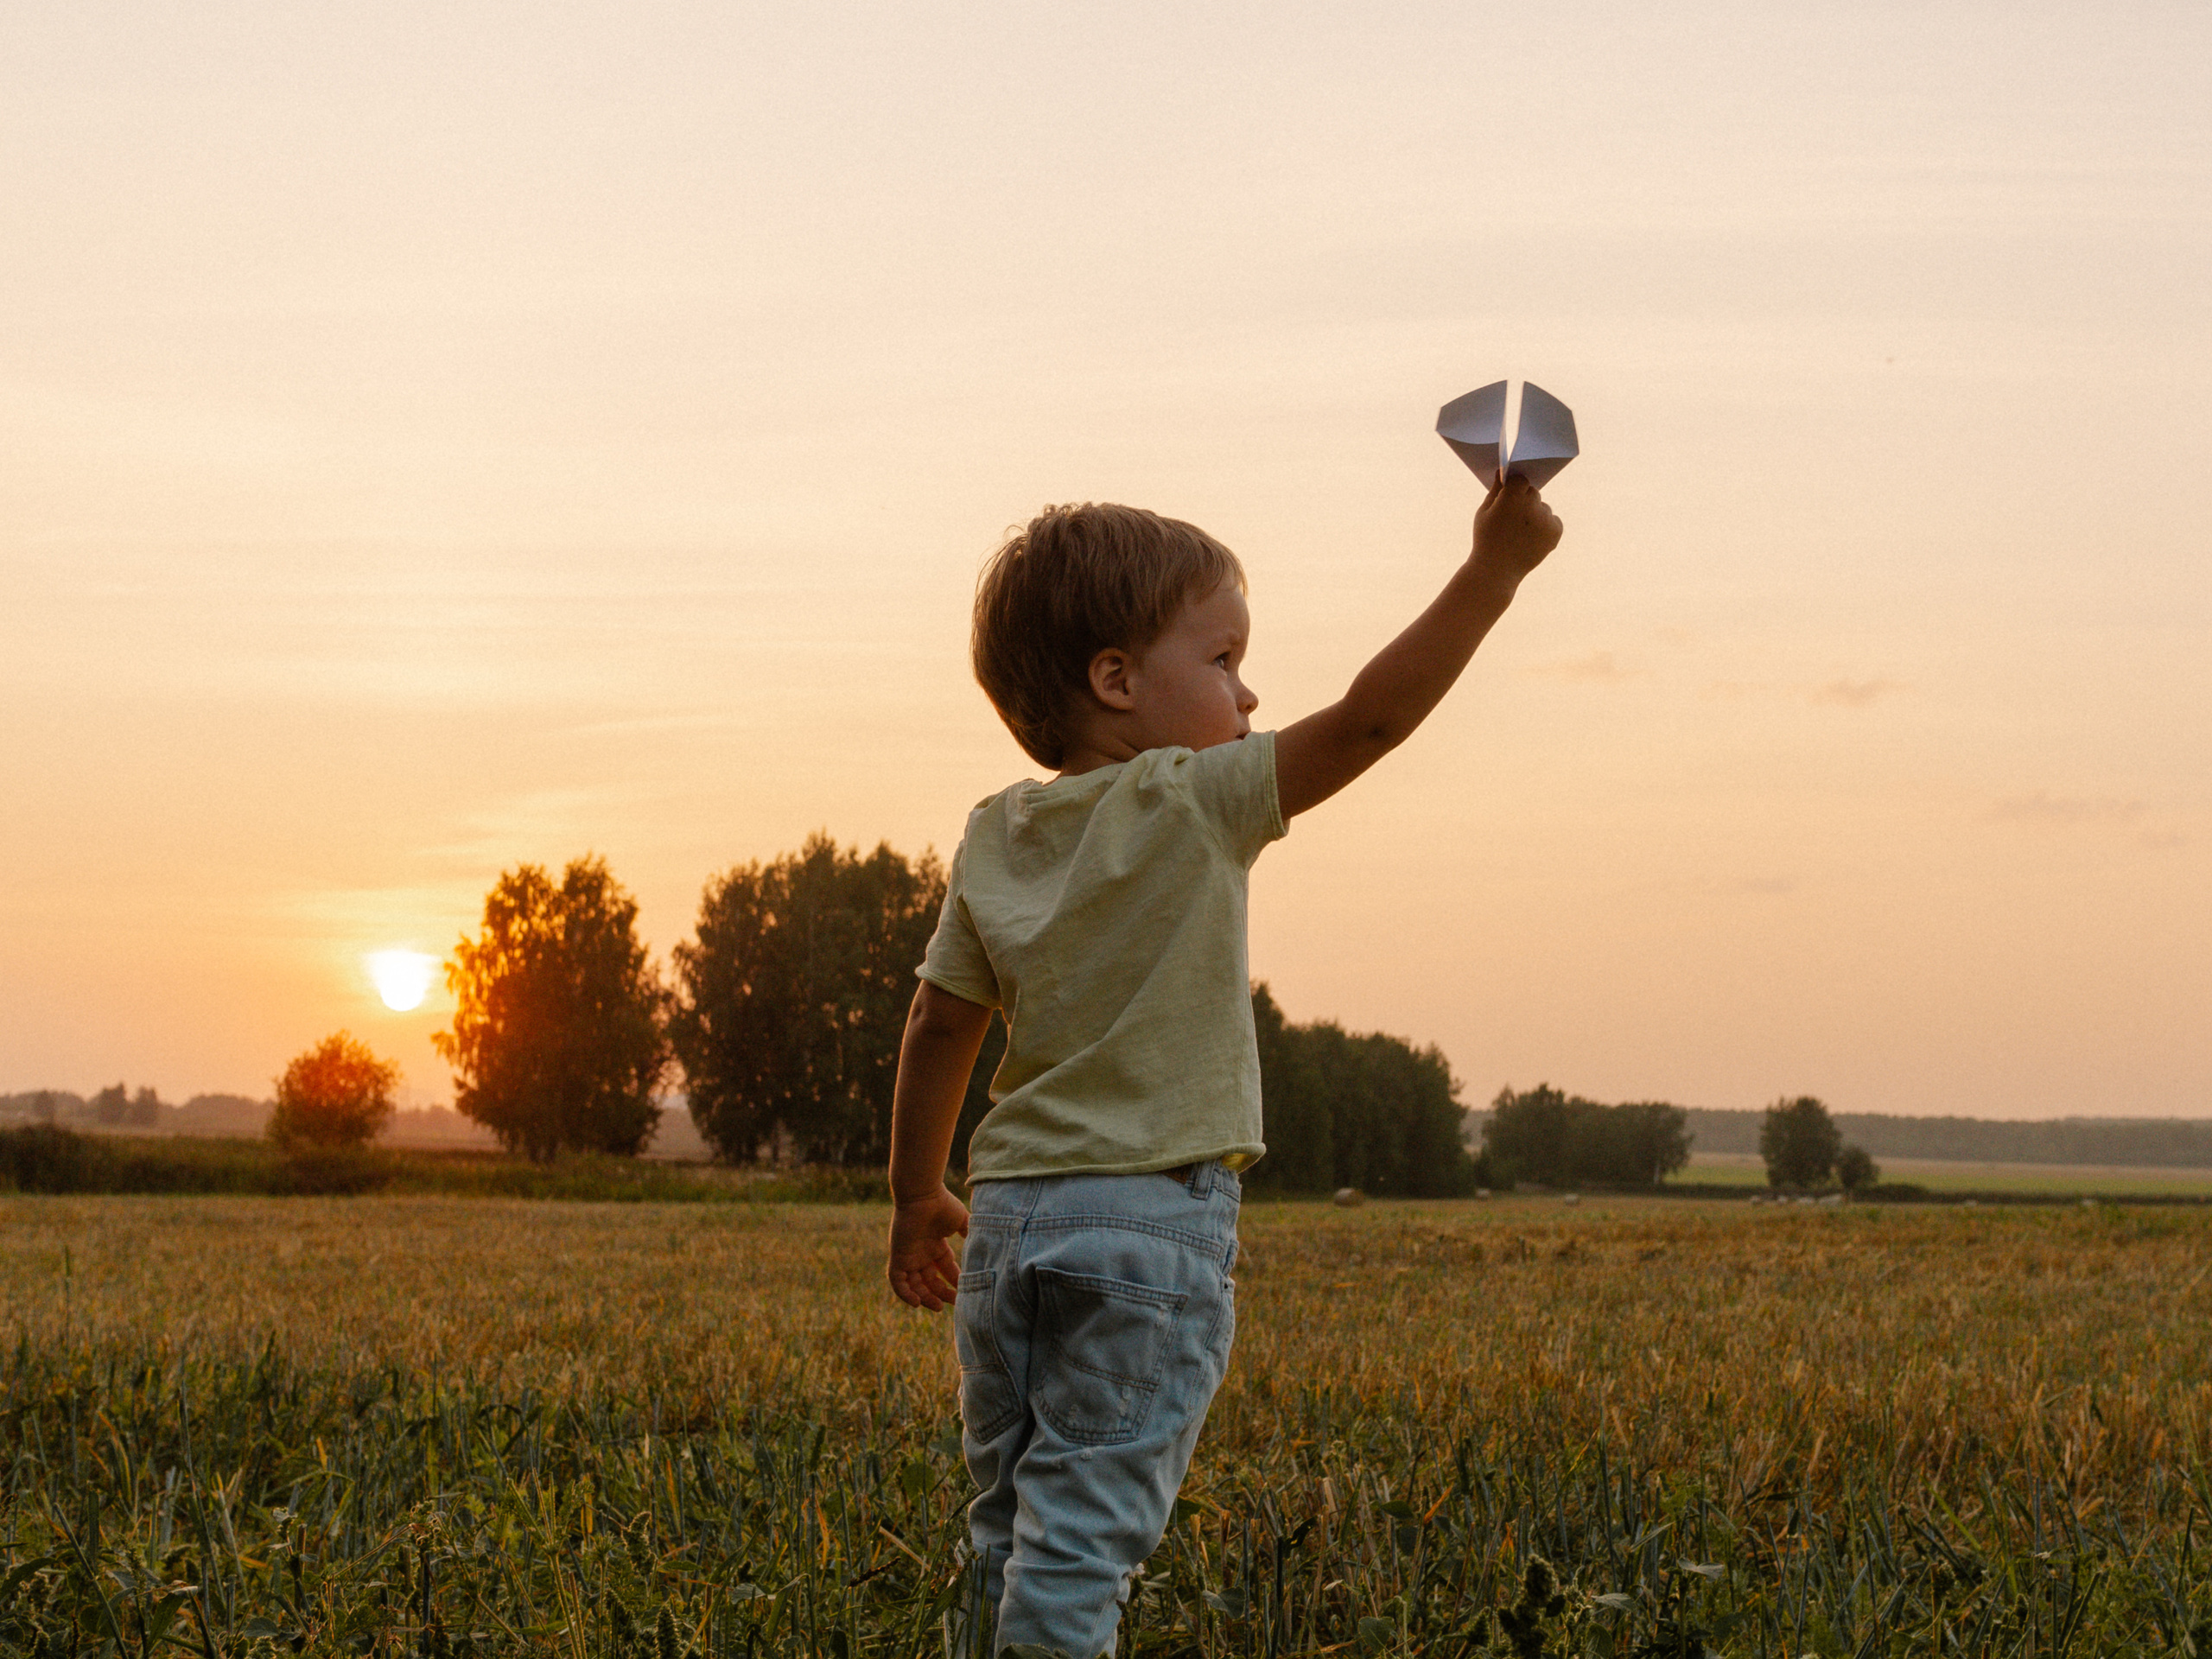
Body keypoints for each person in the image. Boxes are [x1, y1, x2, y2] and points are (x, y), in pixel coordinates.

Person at [886, 478, 1564, 1656]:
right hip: (1147, 1226)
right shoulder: (1196, 801)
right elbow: (1370, 720)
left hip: (1008, 1232)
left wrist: (913, 1198)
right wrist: (1492, 571)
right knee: (1081, 1548)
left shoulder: (996, 835)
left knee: (1004, 1536)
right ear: (1116, 681)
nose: (1252, 694)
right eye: (1225, 657)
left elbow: (940, 1026)